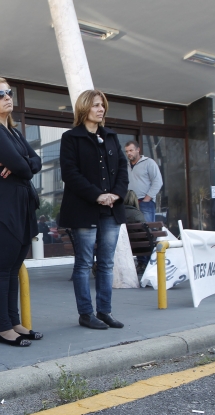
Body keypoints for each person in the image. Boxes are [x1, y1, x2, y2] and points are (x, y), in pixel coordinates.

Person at [0, 77, 43, 347]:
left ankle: (15, 322)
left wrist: (20, 163)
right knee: (2, 268)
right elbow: (27, 168)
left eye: (9, 93)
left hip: (21, 201)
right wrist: (22, 164)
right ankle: (4, 328)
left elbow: (34, 162)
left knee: (15, 267)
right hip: (1, 204)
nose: (7, 98)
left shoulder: (13, 132)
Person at [59, 89, 129, 330]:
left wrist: (115, 194)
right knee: (84, 263)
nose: (101, 109)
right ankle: (86, 314)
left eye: (102, 106)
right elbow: (70, 173)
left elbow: (122, 168)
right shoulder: (71, 138)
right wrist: (97, 195)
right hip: (83, 209)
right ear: (84, 108)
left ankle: (104, 311)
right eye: (96, 105)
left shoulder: (110, 136)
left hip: (111, 208)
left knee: (107, 263)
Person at [124, 140, 163, 223]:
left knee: (147, 230)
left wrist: (147, 199)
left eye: (131, 150)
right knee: (131, 232)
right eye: (126, 151)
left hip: (145, 202)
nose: (128, 153)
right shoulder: (125, 165)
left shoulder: (149, 163)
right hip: (129, 204)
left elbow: (158, 182)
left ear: (138, 150)